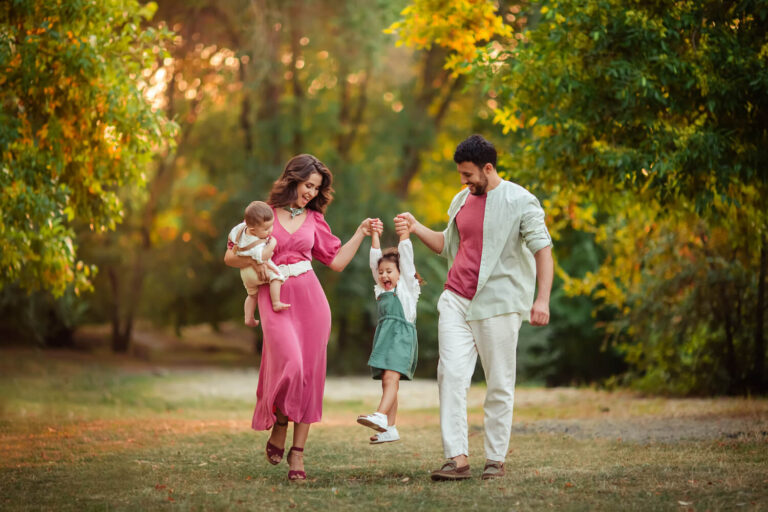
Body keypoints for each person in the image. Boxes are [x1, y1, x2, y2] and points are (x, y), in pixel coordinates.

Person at [394, 134, 553, 481]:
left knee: (498, 382)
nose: (463, 181)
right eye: (461, 176)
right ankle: (457, 459)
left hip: (498, 304)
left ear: (488, 168)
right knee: (450, 375)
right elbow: (447, 246)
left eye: (468, 175)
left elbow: (543, 251)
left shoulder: (521, 201)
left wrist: (541, 300)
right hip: (455, 299)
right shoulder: (461, 199)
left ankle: (495, 459)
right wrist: (417, 226)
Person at [224, 154, 378, 481]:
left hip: (312, 300)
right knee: (291, 364)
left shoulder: (314, 220)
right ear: (293, 178)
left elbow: (335, 262)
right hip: (275, 296)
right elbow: (230, 257)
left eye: (316, 188)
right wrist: (255, 260)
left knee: (309, 374)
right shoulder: (261, 216)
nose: (310, 192)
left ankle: (298, 453)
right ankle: (280, 421)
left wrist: (361, 233)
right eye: (308, 185)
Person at [356, 223, 423, 444]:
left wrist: (405, 233)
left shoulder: (407, 288)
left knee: (392, 378)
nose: (384, 275)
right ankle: (389, 429)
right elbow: (374, 261)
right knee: (388, 381)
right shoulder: (380, 289)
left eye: (389, 271)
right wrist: (375, 234)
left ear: (401, 273)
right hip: (386, 338)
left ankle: (381, 415)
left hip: (402, 338)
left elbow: (406, 257)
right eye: (382, 272)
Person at [228, 200, 289, 327]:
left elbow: (232, 237)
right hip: (257, 270)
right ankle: (276, 302)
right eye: (266, 229)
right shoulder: (256, 242)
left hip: (245, 272)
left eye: (271, 226)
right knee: (277, 278)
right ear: (253, 230)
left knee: (252, 295)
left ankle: (248, 317)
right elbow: (263, 256)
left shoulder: (240, 230)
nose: (270, 231)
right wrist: (273, 243)